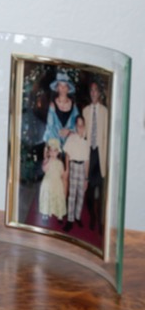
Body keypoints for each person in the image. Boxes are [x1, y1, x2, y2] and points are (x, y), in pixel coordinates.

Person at [83, 79, 110, 230]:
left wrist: (106, 158)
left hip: (100, 153)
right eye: (91, 90)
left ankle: (100, 220)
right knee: (90, 190)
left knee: (100, 189)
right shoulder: (85, 111)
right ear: (90, 93)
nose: (93, 93)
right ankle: (92, 217)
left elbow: (106, 136)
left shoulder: (105, 112)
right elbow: (83, 133)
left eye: (96, 90)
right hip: (89, 154)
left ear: (99, 93)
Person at [62, 115, 91, 231]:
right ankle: (70, 219)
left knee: (81, 194)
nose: (80, 128)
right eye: (78, 125)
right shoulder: (71, 138)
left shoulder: (86, 140)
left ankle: (77, 216)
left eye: (82, 125)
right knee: (72, 195)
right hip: (73, 166)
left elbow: (87, 160)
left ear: (84, 126)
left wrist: (86, 178)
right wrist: (67, 169)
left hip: (82, 168)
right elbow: (67, 155)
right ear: (75, 126)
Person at [37, 138, 67, 227]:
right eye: (51, 151)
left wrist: (64, 185)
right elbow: (44, 169)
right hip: (48, 183)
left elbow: (62, 174)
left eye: (55, 151)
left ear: (58, 152)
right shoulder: (47, 160)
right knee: (47, 198)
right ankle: (45, 214)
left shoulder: (60, 163)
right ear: (49, 152)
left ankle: (59, 214)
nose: (53, 153)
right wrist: (49, 160)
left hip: (57, 183)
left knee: (58, 198)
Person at [44, 71, 78, 146]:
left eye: (65, 86)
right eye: (60, 85)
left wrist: (69, 131)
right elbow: (49, 127)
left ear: (68, 88)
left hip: (70, 144)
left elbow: (78, 125)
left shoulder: (74, 106)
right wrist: (46, 146)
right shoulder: (52, 105)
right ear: (57, 88)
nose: (63, 88)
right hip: (55, 145)